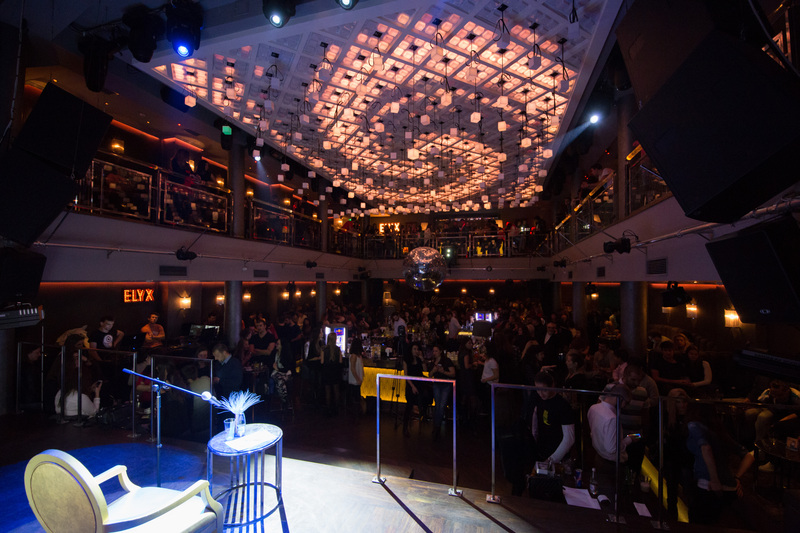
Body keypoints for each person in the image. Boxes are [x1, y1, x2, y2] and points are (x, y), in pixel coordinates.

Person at [685, 402, 754, 525]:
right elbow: (749, 456)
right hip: (729, 487)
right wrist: (737, 477)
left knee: (698, 524)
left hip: (708, 486)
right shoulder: (719, 431)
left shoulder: (694, 425)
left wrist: (715, 480)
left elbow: (706, 448)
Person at [530, 371, 575, 465]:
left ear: (552, 385)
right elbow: (535, 427)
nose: (541, 394)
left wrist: (551, 460)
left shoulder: (563, 405)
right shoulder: (538, 400)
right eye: (538, 390)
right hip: (541, 452)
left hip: (558, 456)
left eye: (544, 390)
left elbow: (569, 438)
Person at [588, 383, 636, 466]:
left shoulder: (593, 408)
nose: (625, 406)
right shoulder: (612, 418)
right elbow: (611, 449)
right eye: (626, 402)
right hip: (611, 463)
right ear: (620, 398)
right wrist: (630, 439)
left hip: (599, 456)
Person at [403, 343, 429, 436]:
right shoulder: (406, 360)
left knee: (422, 402)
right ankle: (405, 427)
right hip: (411, 384)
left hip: (419, 384)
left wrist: (422, 359)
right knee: (409, 405)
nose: (416, 351)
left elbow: (425, 370)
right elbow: (406, 375)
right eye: (414, 349)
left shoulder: (418, 360)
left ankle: (422, 420)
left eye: (417, 349)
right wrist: (412, 386)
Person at [430, 344, 455, 440]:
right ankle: (437, 427)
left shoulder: (446, 361)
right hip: (437, 384)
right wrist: (434, 370)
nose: (434, 353)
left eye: (436, 351)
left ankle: (437, 427)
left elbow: (453, 373)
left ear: (440, 351)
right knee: (438, 405)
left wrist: (443, 372)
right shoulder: (433, 362)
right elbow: (429, 375)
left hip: (445, 384)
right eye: (433, 351)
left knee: (441, 406)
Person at [322, 331, 343, 415]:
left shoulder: (324, 349)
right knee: (336, 390)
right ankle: (336, 409)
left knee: (327, 391)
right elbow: (340, 361)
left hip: (326, 371)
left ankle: (328, 409)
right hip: (335, 371)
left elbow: (322, 362)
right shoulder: (338, 349)